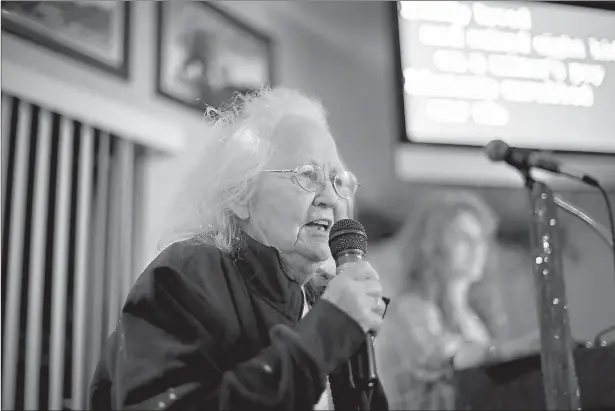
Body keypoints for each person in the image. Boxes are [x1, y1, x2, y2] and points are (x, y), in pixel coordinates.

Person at [89, 87, 389, 410]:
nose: (330, 198)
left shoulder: (320, 301)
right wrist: (325, 336)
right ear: (242, 196)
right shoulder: (187, 276)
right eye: (308, 175)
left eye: (337, 181)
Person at [374, 192, 539, 410]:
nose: (477, 248)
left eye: (480, 239)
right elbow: (440, 357)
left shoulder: (474, 318)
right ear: (433, 245)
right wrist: (509, 352)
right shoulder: (410, 309)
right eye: (463, 237)